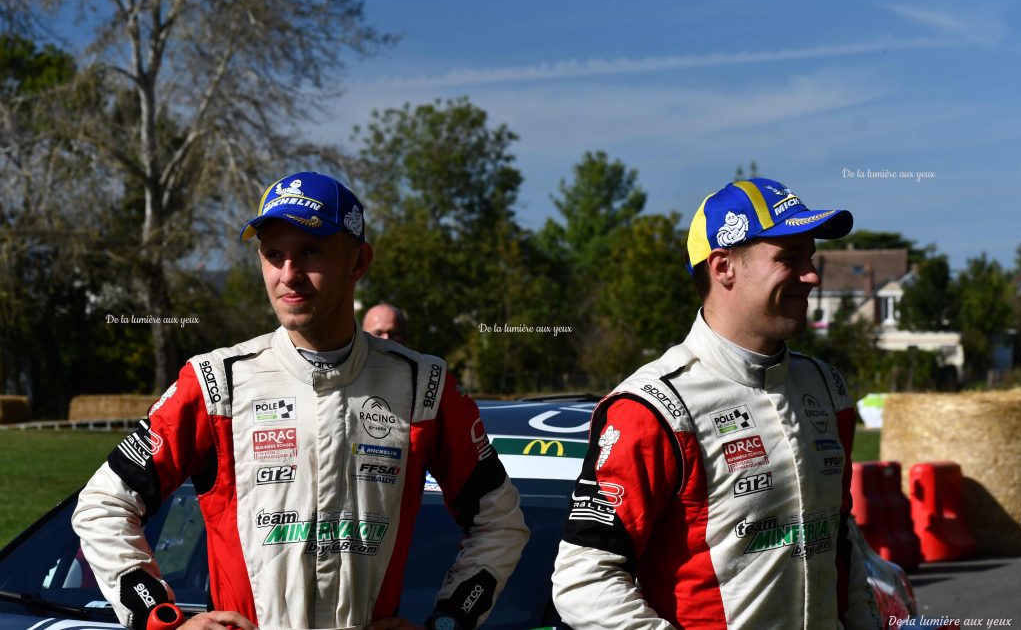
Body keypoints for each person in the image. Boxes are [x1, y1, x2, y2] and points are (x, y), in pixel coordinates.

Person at [73, 172, 529, 630]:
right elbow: (103, 506)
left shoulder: (424, 384)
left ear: (358, 261)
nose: (288, 275)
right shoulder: (215, 382)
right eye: (274, 255)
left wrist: (449, 622)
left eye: (310, 252)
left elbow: (500, 522)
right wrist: (161, 619)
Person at [551, 177, 883, 629]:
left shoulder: (827, 388)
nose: (812, 276)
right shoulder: (654, 407)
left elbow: (840, 537)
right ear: (723, 266)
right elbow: (582, 580)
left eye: (810, 257)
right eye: (789, 259)